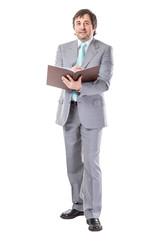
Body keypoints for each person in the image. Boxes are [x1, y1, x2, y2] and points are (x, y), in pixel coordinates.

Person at [55, 9, 113, 231]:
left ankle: (93, 212)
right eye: (78, 23)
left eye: (86, 23)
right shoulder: (63, 48)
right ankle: (78, 205)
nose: (82, 26)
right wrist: (70, 76)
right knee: (73, 163)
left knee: (91, 164)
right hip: (68, 111)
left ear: (93, 27)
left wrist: (81, 85)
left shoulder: (105, 50)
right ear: (74, 26)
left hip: (92, 112)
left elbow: (104, 83)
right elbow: (58, 77)